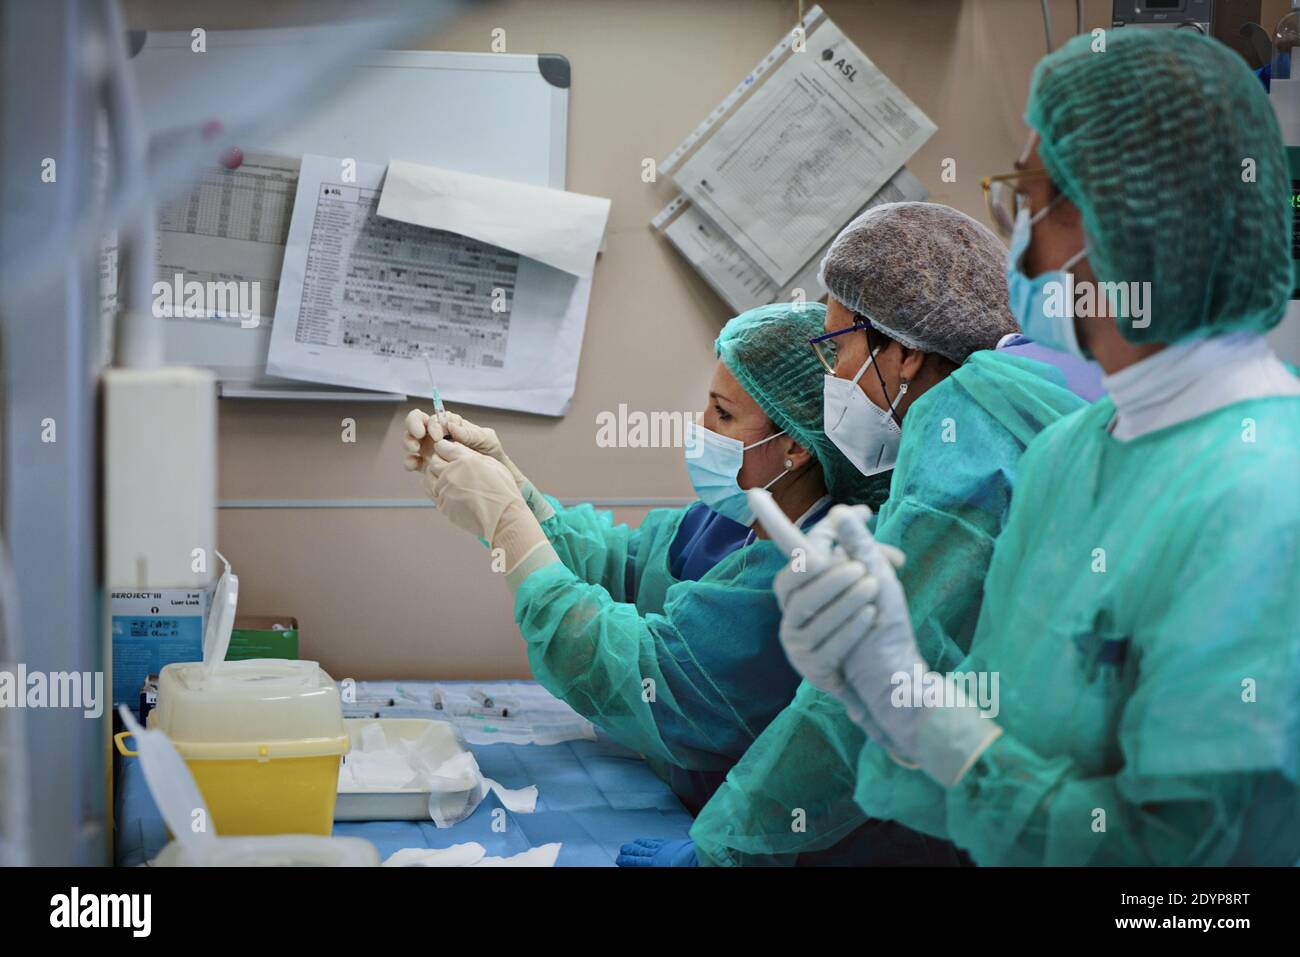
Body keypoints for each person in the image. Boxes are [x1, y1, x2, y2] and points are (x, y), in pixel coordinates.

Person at [775, 29, 1300, 865]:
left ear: (1132, 222)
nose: (1013, 242)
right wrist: (882, 684)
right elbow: (997, 751)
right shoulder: (1068, 453)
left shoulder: (1268, 495)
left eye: (1028, 197)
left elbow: (1189, 885)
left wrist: (914, 711)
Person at [624, 202, 1090, 867]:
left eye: (834, 348)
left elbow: (858, 705)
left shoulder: (966, 437)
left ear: (901, 353)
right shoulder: (1030, 398)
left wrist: (728, 845)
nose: (829, 377)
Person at [403, 302, 888, 814]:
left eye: (723, 414)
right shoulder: (729, 519)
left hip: (721, 824)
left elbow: (632, 669)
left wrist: (506, 522)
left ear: (795, 448)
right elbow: (618, 570)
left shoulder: (804, 577)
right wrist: (510, 484)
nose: (700, 426)